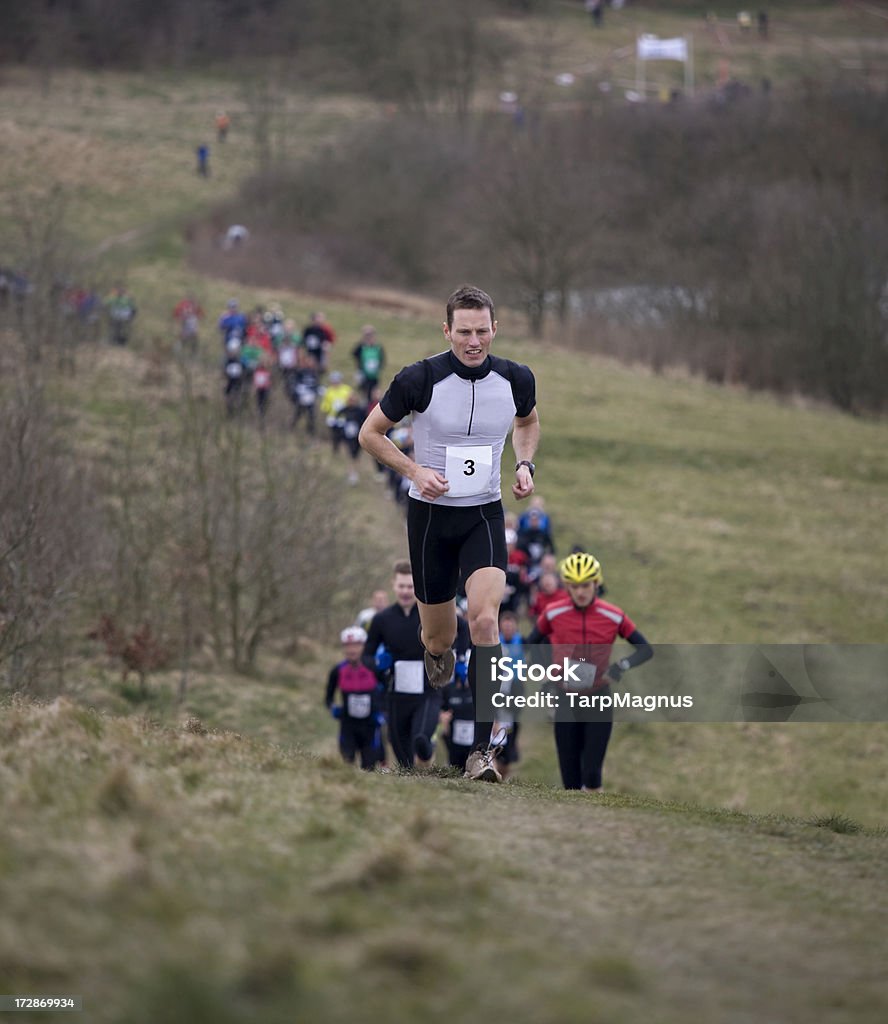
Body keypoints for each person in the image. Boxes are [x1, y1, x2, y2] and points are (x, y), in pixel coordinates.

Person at [359, 284, 540, 783]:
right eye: (464, 332)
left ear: (494, 329)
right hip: (430, 520)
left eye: (482, 331)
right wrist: (415, 472)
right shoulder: (419, 378)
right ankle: (437, 652)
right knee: (439, 634)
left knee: (483, 623)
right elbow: (369, 434)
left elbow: (528, 422)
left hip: (483, 516)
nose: (474, 341)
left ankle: (481, 752)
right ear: (447, 330)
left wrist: (524, 464)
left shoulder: (516, 378)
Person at [528, 552, 653, 792]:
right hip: (565, 699)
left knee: (592, 774)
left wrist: (619, 667)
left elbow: (645, 649)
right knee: (570, 780)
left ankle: (598, 817)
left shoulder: (613, 615)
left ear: (597, 583)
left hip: (598, 698)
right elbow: (530, 642)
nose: (581, 592)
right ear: (567, 586)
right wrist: (544, 673)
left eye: (586, 585)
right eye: (574, 586)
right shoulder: (553, 613)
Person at [363, 561, 467, 770]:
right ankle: (418, 783)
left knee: (421, 739)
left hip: (428, 691)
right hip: (396, 693)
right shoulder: (382, 620)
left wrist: (460, 659)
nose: (405, 591)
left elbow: (462, 628)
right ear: (394, 585)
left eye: (410, 586)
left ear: (417, 587)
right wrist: (378, 664)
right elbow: (366, 656)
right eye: (401, 586)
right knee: (403, 760)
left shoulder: (430, 615)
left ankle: (427, 761)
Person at [325, 626, 385, 770]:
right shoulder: (337, 670)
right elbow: (329, 696)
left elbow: (387, 691)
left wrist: (383, 713)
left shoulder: (374, 668)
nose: (352, 650)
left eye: (356, 645)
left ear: (363, 646)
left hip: (370, 725)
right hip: (348, 725)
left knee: (370, 767)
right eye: (348, 646)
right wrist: (333, 709)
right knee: (347, 762)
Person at [352, 325, 386, 402]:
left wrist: (379, 368)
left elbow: (382, 360)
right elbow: (354, 354)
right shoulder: (361, 347)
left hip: (374, 375)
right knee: (364, 392)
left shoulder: (378, 348)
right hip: (363, 374)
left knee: (374, 392)